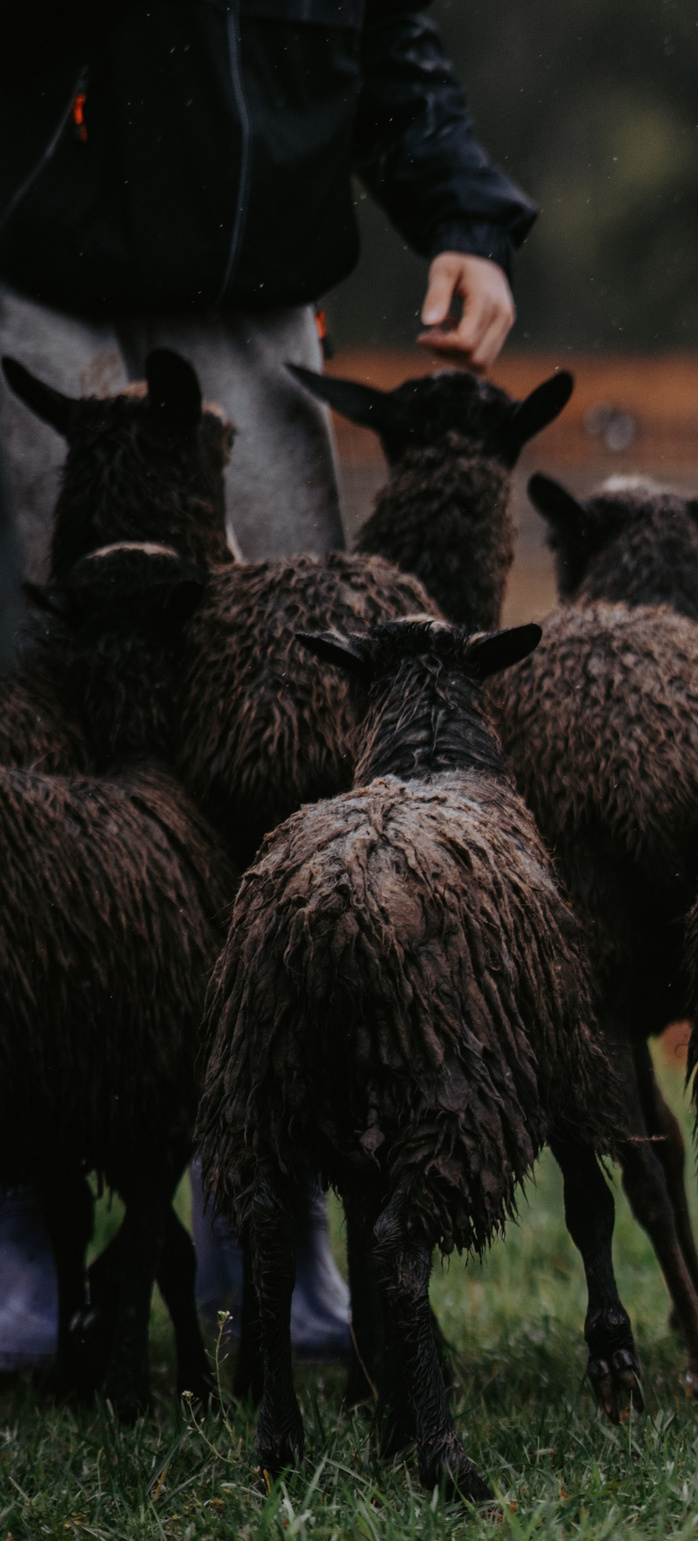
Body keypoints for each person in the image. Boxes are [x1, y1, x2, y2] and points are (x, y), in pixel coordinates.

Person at [0, 2, 538, 1370]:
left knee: (294, 745)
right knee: (37, 752)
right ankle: (23, 1243)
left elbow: (385, 38)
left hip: (252, 303)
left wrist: (464, 214)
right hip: (35, 287)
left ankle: (277, 1240)